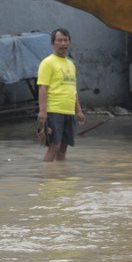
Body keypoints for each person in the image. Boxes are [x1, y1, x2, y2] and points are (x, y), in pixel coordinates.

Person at [37, 28, 87, 162]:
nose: (63, 43)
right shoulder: (47, 63)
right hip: (54, 110)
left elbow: (73, 89)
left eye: (66, 40)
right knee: (54, 145)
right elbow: (43, 88)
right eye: (59, 40)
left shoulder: (71, 64)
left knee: (64, 147)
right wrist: (42, 112)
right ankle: (46, 178)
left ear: (69, 43)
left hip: (69, 112)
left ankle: (60, 177)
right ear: (53, 43)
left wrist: (79, 111)